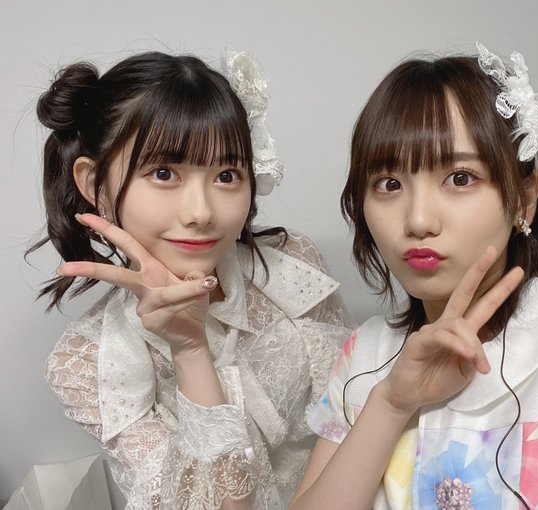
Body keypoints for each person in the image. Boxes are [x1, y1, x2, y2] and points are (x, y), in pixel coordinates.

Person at [290, 43, 538, 509]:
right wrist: (391, 404)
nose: (418, 220)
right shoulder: (365, 352)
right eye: (389, 184)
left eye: (460, 178)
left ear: (524, 198)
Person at [28, 49, 353, 510]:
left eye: (227, 174)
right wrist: (190, 350)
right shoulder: (89, 361)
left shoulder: (291, 264)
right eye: (164, 173)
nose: (201, 213)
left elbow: (350, 411)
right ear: (94, 183)